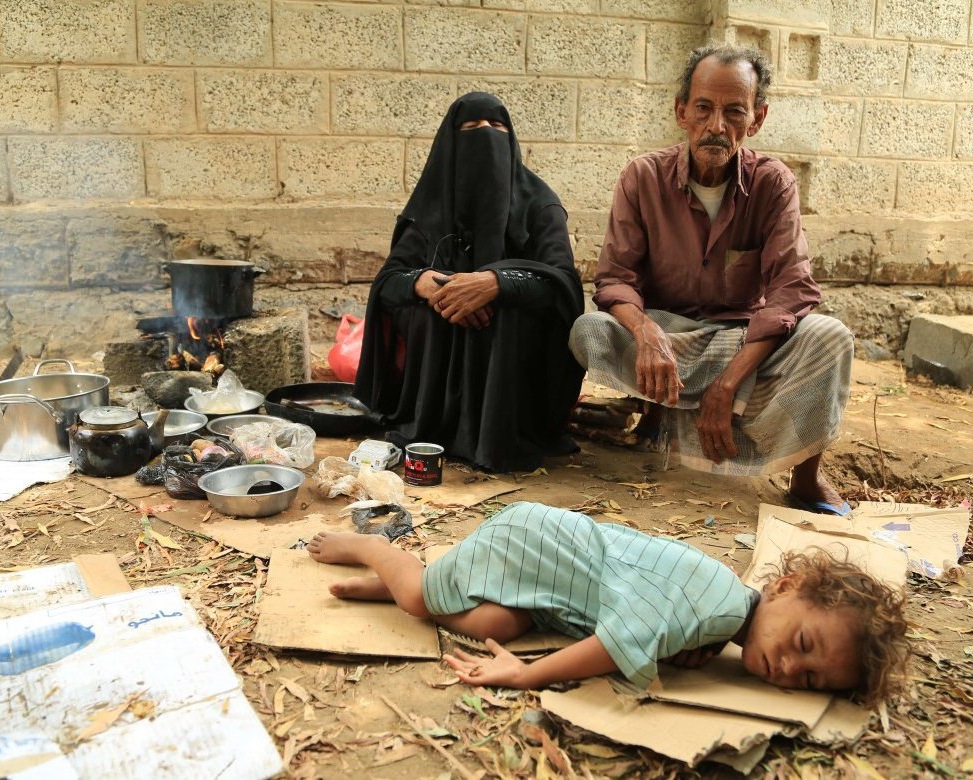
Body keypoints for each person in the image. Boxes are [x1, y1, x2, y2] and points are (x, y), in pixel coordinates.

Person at [568, 43, 855, 515]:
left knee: (830, 336)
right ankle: (662, 414)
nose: (716, 126)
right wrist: (645, 332)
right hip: (668, 338)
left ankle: (805, 477)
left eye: (734, 111)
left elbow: (792, 289)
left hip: (740, 341)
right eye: (703, 108)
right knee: (591, 331)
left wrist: (727, 383)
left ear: (757, 119)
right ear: (682, 111)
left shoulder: (773, 183)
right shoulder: (642, 177)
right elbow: (616, 279)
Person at [306, 501, 908, 705]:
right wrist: (526, 677)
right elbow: (613, 645)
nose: (788, 668)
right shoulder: (716, 611)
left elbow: (651, 618)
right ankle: (375, 552)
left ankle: (393, 588)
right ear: (783, 587)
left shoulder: (723, 615)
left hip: (551, 583)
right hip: (534, 543)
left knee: (495, 621)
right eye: (802, 644)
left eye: (807, 680)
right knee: (422, 597)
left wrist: (686, 648)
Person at [354, 92, 585, 473]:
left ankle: (500, 438)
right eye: (472, 128)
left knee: (510, 312)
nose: (486, 136)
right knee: (427, 310)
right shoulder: (430, 208)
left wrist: (497, 283)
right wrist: (425, 283)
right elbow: (388, 283)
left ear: (510, 139)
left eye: (497, 127)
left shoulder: (539, 205)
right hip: (436, 370)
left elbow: (563, 283)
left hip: (514, 371)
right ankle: (434, 427)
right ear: (451, 140)